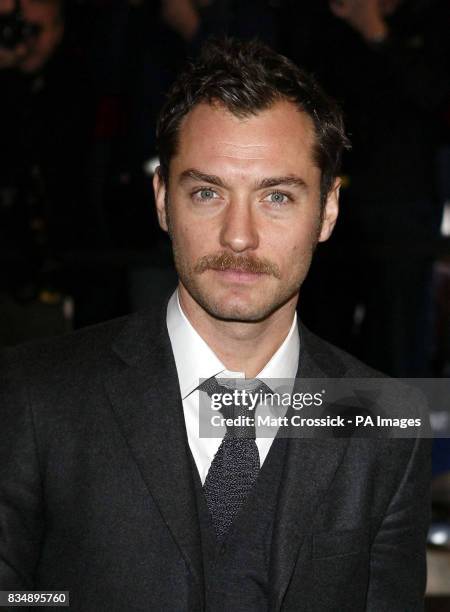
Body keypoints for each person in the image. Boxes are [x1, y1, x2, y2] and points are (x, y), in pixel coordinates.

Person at [0, 38, 430, 611]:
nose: (239, 236)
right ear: (161, 201)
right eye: (207, 193)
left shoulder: (381, 420)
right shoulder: (35, 396)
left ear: (327, 212)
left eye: (276, 197)